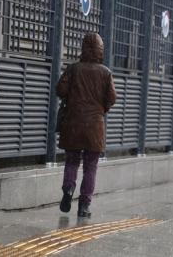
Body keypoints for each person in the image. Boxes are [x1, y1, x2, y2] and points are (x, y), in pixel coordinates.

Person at [56, 33, 117, 217]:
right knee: (91, 166)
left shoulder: (73, 69)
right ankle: (84, 206)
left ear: (83, 48)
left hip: (73, 122)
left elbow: (60, 90)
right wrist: (101, 108)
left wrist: (73, 99)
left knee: (72, 160)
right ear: (100, 50)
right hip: (95, 127)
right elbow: (112, 98)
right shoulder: (105, 72)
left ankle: (68, 188)